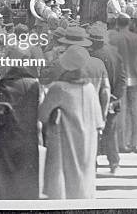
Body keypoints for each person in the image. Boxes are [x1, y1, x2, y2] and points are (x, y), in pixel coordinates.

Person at [39, 45, 104, 199]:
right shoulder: (89, 87)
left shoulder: (59, 88)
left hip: (66, 141)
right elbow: (98, 120)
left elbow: (42, 115)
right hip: (88, 140)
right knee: (84, 179)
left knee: (65, 181)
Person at [0, 46, 41, 200]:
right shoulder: (34, 83)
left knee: (3, 189)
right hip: (28, 141)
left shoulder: (7, 84)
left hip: (7, 141)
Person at [87, 23, 127, 173]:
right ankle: (114, 163)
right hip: (113, 99)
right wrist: (116, 97)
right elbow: (123, 79)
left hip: (96, 99)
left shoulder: (91, 56)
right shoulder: (115, 54)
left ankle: (93, 164)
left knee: (94, 133)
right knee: (111, 132)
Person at [110, 13, 137, 153]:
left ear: (117, 24)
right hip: (136, 78)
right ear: (129, 23)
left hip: (120, 78)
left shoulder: (113, 38)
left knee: (121, 111)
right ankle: (135, 142)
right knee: (135, 111)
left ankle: (122, 143)